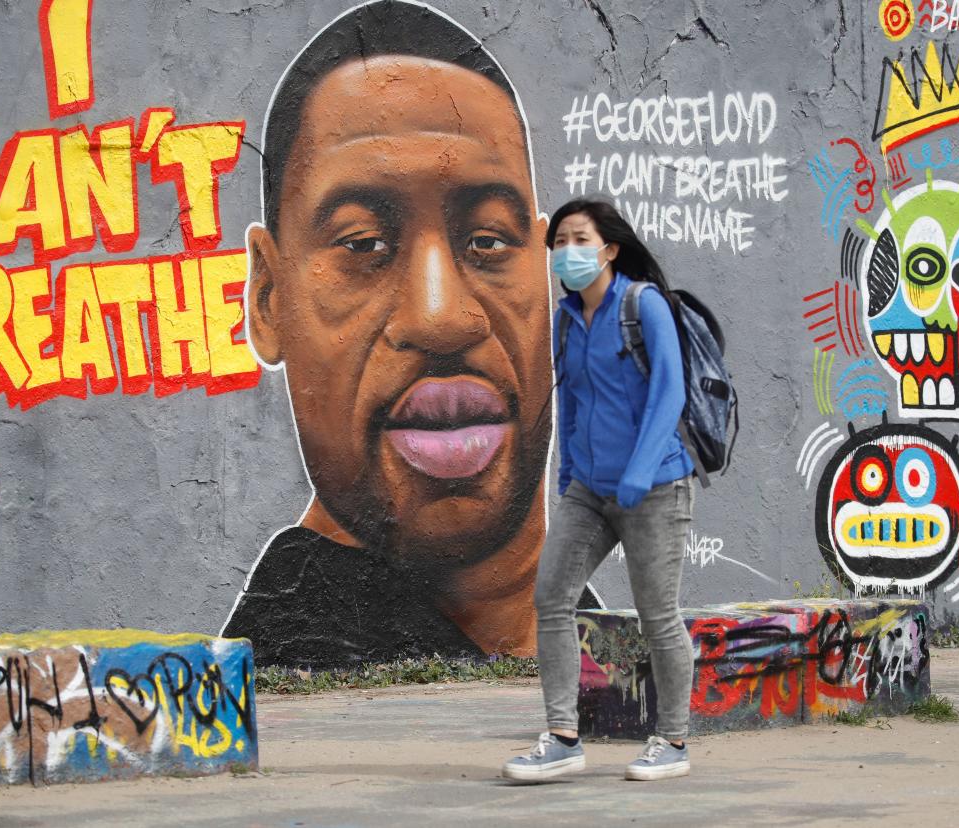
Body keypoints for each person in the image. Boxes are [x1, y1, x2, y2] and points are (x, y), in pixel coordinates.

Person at [221, 1, 597, 668]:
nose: (442, 317)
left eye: (488, 241)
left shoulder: (604, 646)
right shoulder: (286, 672)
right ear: (268, 301)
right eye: (363, 244)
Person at [502, 200, 696, 783]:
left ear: (609, 248)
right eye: (559, 241)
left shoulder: (644, 306)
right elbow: (575, 398)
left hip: (654, 487)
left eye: (578, 238)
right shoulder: (565, 317)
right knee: (551, 597)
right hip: (589, 491)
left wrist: (640, 469)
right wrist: (566, 474)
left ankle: (675, 740)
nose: (566, 251)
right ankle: (562, 737)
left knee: (657, 615)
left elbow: (670, 392)